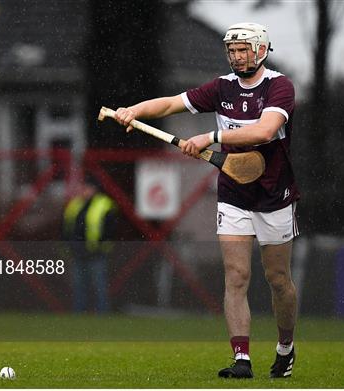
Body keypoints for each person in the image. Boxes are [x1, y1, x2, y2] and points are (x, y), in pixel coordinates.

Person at [114, 23, 299, 379]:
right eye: (232, 50)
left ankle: (285, 347)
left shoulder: (279, 87)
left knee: (278, 279)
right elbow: (172, 103)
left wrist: (209, 137)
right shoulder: (221, 87)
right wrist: (134, 110)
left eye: (244, 49)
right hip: (233, 192)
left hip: (275, 194)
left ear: (261, 50)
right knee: (236, 275)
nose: (237, 56)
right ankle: (242, 359)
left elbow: (263, 131)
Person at [63, 175, 116, 313]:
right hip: (78, 251)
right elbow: (67, 226)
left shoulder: (104, 204)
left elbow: (110, 228)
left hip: (96, 253)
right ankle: (79, 314)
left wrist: (101, 245)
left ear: (94, 189)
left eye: (86, 188)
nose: (83, 190)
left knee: (99, 285)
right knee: (79, 286)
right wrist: (68, 244)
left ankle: (102, 313)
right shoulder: (75, 204)